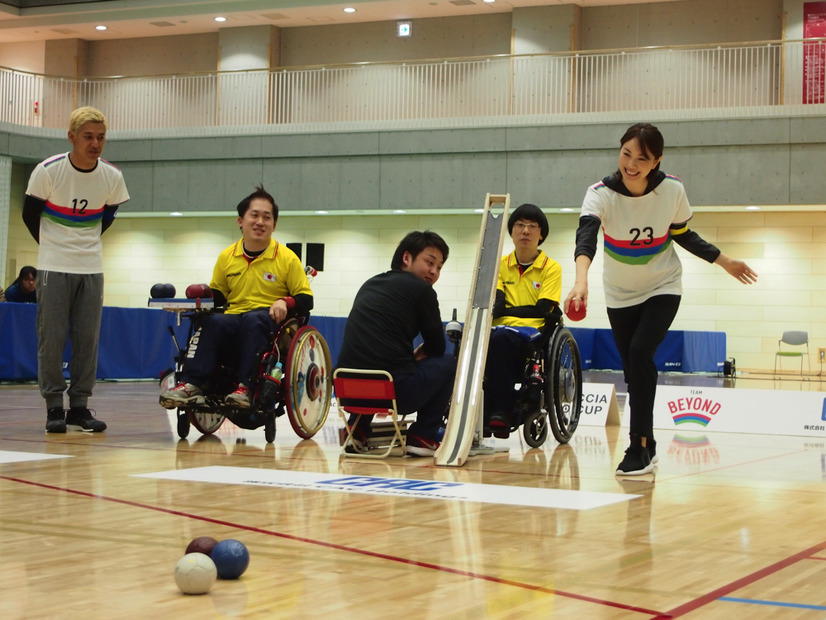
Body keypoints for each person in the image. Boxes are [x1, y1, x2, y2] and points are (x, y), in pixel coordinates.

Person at [564, 122, 757, 476]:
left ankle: (637, 446)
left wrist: (724, 261)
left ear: (656, 161)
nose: (632, 163)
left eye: (642, 158)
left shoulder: (672, 190)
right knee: (633, 371)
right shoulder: (599, 194)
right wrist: (581, 281)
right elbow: (586, 238)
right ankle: (649, 443)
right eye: (626, 154)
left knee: (640, 354)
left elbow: (683, 234)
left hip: (662, 287)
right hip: (619, 293)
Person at [23, 106, 130, 434]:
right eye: (88, 137)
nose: (95, 143)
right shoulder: (47, 171)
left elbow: (107, 216)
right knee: (51, 338)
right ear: (72, 137)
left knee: (88, 340)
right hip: (54, 267)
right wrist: (56, 247)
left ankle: (80, 407)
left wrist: (84, 245)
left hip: (91, 269)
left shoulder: (112, 177)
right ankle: (54, 407)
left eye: (100, 137)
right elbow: (30, 215)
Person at [160, 185, 313, 411]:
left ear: (274, 225)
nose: (260, 222)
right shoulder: (227, 256)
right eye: (255, 215)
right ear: (241, 221)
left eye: (266, 217)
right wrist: (202, 293)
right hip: (233, 316)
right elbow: (219, 295)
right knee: (212, 321)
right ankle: (192, 385)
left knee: (254, 320)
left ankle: (246, 388)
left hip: (267, 317)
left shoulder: (287, 258)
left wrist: (285, 301)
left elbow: (306, 299)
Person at [336, 230, 455, 457]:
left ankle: (357, 430)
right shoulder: (423, 291)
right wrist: (419, 354)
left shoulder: (369, 284)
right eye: (430, 262)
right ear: (406, 258)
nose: (434, 271)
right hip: (393, 392)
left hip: (345, 390)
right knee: (449, 363)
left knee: (372, 364)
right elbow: (437, 347)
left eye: (439, 267)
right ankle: (423, 435)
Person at [484, 204, 562, 437]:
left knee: (501, 341)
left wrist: (510, 309)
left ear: (541, 234)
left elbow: (542, 310)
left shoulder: (551, 268)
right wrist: (516, 310)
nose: (525, 231)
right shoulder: (499, 265)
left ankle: (499, 410)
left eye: (532, 226)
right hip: (498, 329)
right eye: (519, 225)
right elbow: (496, 307)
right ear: (511, 232)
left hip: (532, 334)